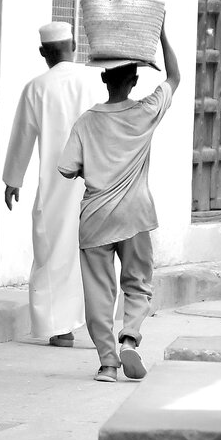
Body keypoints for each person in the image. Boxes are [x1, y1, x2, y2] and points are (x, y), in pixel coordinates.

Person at [58, 25, 180, 381]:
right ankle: (129, 339)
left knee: (99, 294)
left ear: (104, 79)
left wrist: (95, 166)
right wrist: (161, 33)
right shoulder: (146, 111)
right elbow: (174, 77)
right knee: (138, 284)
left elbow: (66, 168)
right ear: (134, 81)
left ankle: (108, 365)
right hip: (135, 215)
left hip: (95, 219)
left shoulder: (85, 122)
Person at [3, 21, 102, 347]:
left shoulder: (37, 87)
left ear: (43, 53)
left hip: (56, 186)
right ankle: (101, 328)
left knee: (54, 253)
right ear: (73, 47)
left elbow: (22, 136)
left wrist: (13, 180)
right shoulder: (93, 80)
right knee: (95, 254)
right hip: (96, 181)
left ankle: (62, 329)